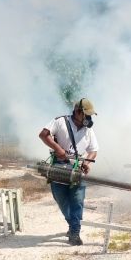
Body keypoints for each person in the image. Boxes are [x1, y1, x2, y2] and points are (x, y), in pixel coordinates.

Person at [38, 98, 99, 246]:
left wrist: (87, 162)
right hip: (59, 168)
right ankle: (72, 224)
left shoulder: (88, 130)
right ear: (78, 112)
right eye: (86, 115)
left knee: (77, 201)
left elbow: (93, 150)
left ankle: (75, 232)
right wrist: (58, 149)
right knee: (62, 201)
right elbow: (43, 135)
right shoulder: (60, 122)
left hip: (77, 170)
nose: (89, 118)